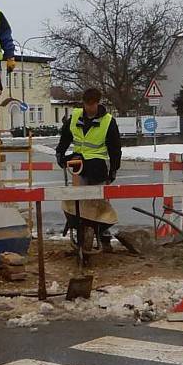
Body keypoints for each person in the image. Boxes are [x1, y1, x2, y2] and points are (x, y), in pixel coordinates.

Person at [55, 88, 122, 250]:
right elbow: (65, 137)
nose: (89, 108)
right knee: (79, 202)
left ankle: (101, 232)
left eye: (92, 105)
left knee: (98, 201)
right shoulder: (75, 117)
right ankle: (81, 232)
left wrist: (114, 169)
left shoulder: (107, 121)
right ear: (83, 103)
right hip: (79, 165)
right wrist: (60, 154)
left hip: (98, 166)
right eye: (87, 104)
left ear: (98, 103)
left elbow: (115, 148)